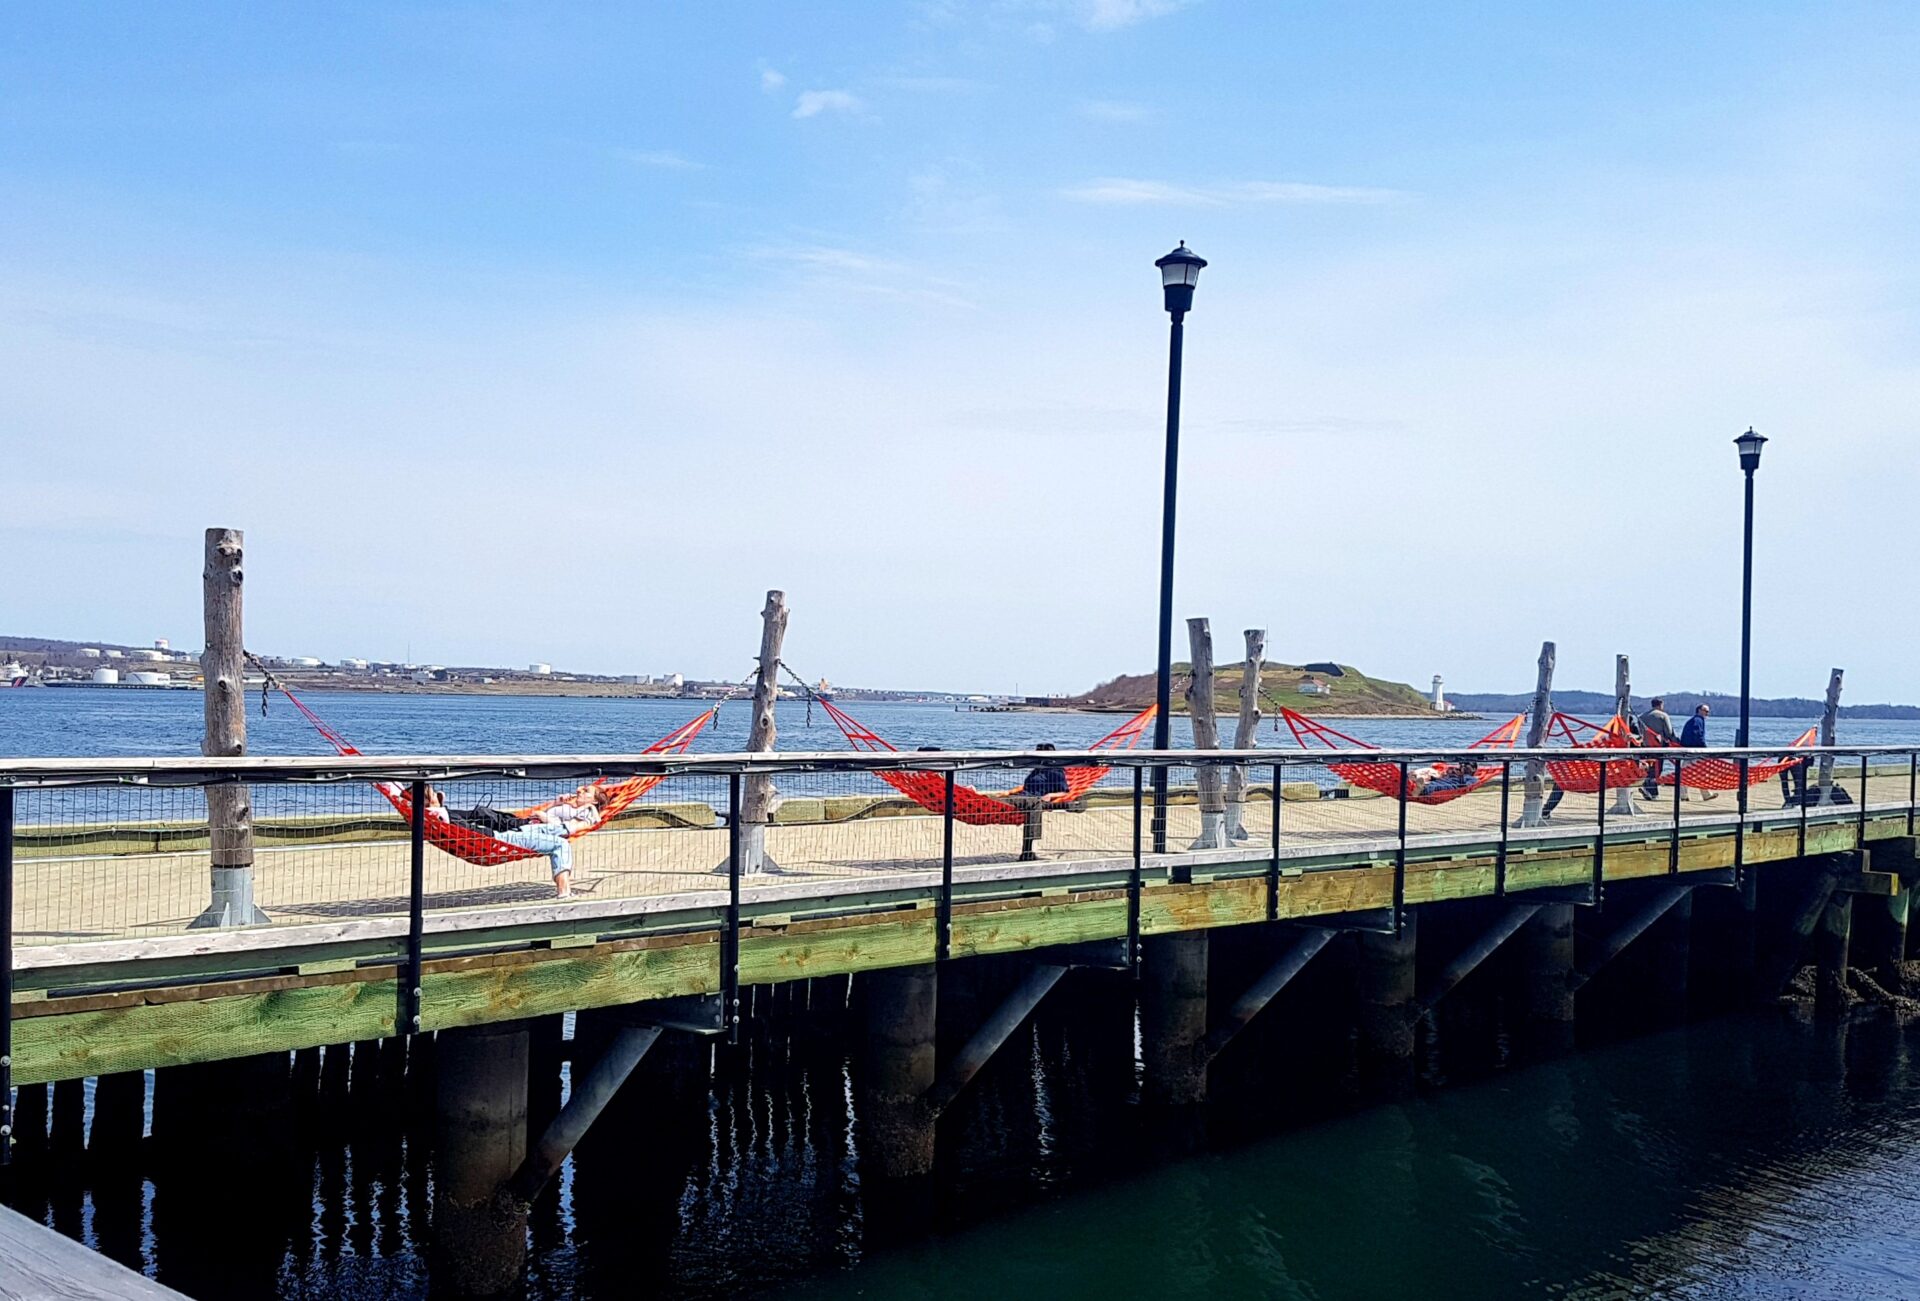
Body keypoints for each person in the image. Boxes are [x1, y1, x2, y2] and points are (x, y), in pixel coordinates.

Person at [1009, 743, 1067, 861]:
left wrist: (1050, 795)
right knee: (1002, 801)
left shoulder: (1055, 771)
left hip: (1033, 801)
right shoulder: (1037, 768)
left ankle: (1029, 851)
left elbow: (1065, 792)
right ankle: (972, 796)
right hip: (1025, 798)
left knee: (1002, 802)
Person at [1639, 698, 1678, 799]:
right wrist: (1677, 742)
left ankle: (1648, 787)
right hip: (1658, 746)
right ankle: (1651, 790)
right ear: (1661, 705)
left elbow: (1639, 732)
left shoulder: (1642, 716)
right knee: (1657, 769)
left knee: (1649, 768)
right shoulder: (1663, 716)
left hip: (1645, 746)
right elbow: (1669, 732)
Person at [1679, 703, 1716, 801]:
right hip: (1696, 751)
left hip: (1687, 751)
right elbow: (1698, 735)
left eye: (1708, 712)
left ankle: (1683, 795)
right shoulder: (1698, 720)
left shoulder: (1692, 720)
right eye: (1706, 711)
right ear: (1699, 710)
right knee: (1702, 772)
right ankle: (1706, 794)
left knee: (1685, 773)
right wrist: (1704, 748)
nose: (1707, 714)